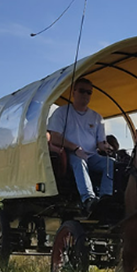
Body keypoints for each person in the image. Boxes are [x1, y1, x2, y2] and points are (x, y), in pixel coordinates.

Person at [47, 77, 114, 212]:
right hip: (69, 154)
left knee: (110, 163)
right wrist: (76, 148)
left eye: (89, 92)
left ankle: (106, 197)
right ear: (74, 92)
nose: (85, 95)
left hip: (92, 156)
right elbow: (55, 137)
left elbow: (100, 143)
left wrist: (106, 147)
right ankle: (88, 199)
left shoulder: (97, 117)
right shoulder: (62, 112)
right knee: (80, 161)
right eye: (82, 91)